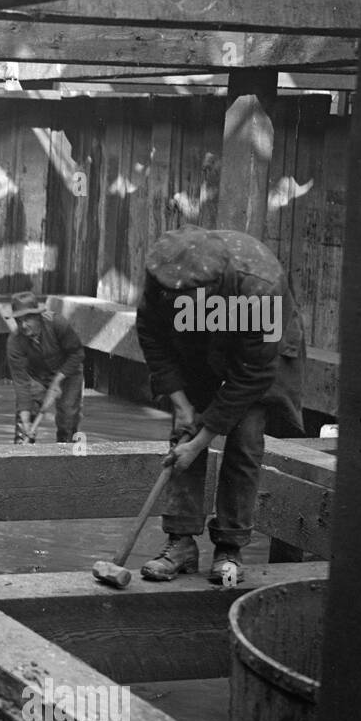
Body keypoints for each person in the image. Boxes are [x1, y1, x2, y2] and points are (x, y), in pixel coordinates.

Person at [135, 225, 304, 585]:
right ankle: (180, 543)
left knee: (244, 439)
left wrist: (201, 443)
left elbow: (253, 376)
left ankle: (230, 547)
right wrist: (181, 405)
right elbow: (151, 335)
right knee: (183, 433)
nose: (173, 298)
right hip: (196, 340)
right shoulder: (167, 277)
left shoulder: (260, 286)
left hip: (259, 348)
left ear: (210, 289)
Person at [5, 291, 84, 443]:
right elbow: (21, 384)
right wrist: (25, 419)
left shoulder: (58, 324)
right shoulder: (14, 342)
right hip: (37, 376)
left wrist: (58, 380)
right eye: (18, 320)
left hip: (69, 372)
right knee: (24, 421)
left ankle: (67, 452)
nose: (23, 325)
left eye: (27, 319)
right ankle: (21, 451)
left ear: (38, 317)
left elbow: (77, 354)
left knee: (68, 415)